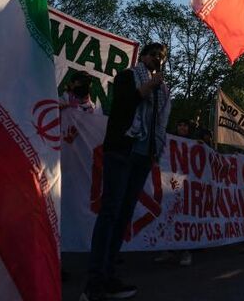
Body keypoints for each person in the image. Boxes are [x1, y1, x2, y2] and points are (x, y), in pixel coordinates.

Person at [81, 43, 170, 301]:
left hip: (143, 157)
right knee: (110, 212)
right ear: (143, 56)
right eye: (154, 55)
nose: (158, 61)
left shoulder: (161, 92)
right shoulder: (127, 77)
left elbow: (159, 122)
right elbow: (122, 106)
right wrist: (148, 88)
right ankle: (94, 281)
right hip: (122, 151)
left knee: (123, 215)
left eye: (162, 58)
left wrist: (155, 150)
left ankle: (109, 275)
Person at [154, 119, 193, 267]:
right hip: (170, 185)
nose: (183, 126)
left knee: (185, 219)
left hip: (187, 186)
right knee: (168, 216)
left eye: (185, 125)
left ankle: (186, 251)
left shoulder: (194, 144)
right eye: (180, 124)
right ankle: (167, 250)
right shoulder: (168, 141)